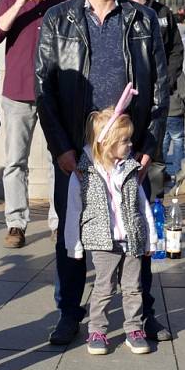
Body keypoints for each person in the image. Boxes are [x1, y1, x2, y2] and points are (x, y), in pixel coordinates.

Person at [35, 0, 169, 347]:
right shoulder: (59, 19)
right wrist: (61, 149)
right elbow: (45, 88)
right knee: (72, 234)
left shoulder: (143, 19)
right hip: (79, 153)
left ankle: (141, 314)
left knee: (135, 233)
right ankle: (70, 313)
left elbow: (161, 87)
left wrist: (148, 146)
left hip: (128, 152)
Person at [0, 0, 72, 248]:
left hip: (55, 93)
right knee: (15, 162)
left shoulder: (65, 2)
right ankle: (16, 223)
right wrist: (19, 3)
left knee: (58, 160)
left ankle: (59, 221)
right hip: (18, 92)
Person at [64, 102, 157, 355]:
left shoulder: (130, 169)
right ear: (106, 143)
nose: (131, 145)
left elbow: (142, 205)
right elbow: (73, 211)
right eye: (125, 141)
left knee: (133, 287)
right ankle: (97, 330)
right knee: (103, 288)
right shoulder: (83, 173)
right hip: (102, 241)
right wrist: (74, 244)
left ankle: (134, 329)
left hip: (132, 239)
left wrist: (151, 238)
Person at [121, 0, 184, 197]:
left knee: (153, 151)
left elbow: (177, 49)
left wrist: (165, 80)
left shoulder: (162, 12)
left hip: (156, 92)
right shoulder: (118, 9)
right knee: (125, 148)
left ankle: (154, 200)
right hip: (126, 94)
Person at [163, 71, 185, 178]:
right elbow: (184, 93)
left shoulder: (160, 67)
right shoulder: (177, 71)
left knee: (163, 144)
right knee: (178, 143)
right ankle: (178, 173)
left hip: (163, 112)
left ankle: (161, 172)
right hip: (176, 112)